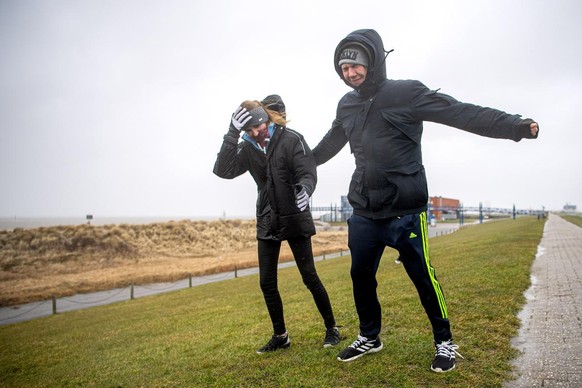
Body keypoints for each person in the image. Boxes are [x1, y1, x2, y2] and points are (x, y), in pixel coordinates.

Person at [312, 29, 539, 372]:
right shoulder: (347, 105)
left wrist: (513, 126)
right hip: (364, 209)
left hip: (405, 208)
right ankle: (370, 336)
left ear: (372, 60)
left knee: (421, 276)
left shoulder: (406, 93)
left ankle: (444, 341)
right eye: (343, 69)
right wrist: (294, 165)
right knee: (360, 276)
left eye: (355, 65)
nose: (350, 74)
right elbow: (326, 147)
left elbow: (460, 112)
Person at [213, 95, 343, 354]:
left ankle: (332, 328)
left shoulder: (292, 139)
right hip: (267, 218)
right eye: (248, 130)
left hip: (295, 213)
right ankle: (280, 335)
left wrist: (306, 188)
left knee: (309, 277)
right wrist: (231, 134)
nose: (254, 133)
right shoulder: (247, 146)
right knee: (267, 283)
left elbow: (307, 171)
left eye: (257, 127)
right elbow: (223, 170)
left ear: (266, 120)